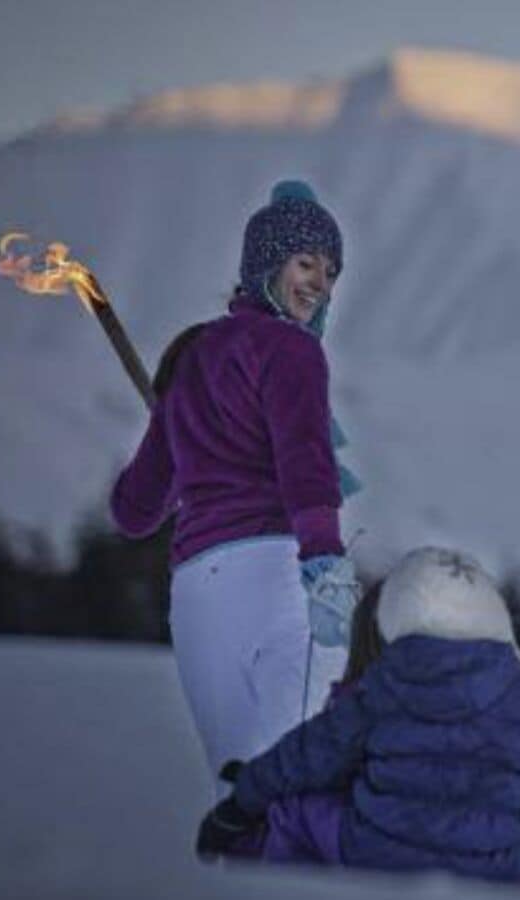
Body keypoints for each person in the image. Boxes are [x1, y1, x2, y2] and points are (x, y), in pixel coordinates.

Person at [110, 180, 363, 795]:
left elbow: (135, 510)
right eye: (307, 263)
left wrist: (182, 425)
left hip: (198, 594)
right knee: (302, 786)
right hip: (278, 577)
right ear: (267, 262)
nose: (321, 285)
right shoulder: (291, 350)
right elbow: (307, 463)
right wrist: (325, 562)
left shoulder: (192, 356)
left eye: (331, 272)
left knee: (239, 798)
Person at [195, 547, 520, 892]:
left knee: (290, 815)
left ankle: (266, 879)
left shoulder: (379, 692)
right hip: (500, 863)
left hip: (373, 853)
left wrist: (246, 798)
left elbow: (310, 759)